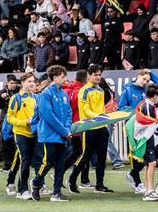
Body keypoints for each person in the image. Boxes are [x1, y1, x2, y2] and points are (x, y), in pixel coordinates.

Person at [66, 66, 114, 194]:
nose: (98, 77)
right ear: (89, 76)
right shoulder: (84, 90)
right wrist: (98, 117)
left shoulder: (100, 90)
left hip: (101, 126)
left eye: (99, 74)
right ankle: (71, 180)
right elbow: (85, 109)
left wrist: (104, 117)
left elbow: (101, 108)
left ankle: (100, 185)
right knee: (85, 156)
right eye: (95, 75)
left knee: (102, 157)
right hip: (89, 127)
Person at [31, 64, 72, 202]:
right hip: (49, 134)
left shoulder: (64, 93)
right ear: (55, 77)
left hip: (61, 134)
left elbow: (69, 113)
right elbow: (48, 116)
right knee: (47, 162)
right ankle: (36, 183)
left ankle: (56, 193)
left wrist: (66, 129)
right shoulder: (46, 93)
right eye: (62, 76)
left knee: (61, 163)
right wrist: (64, 130)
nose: (65, 79)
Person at [5, 74, 38, 200]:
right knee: (25, 160)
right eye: (29, 81)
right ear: (22, 83)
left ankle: (34, 186)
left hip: (34, 133)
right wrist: (25, 122)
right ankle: (22, 189)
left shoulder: (36, 97)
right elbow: (10, 118)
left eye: (33, 81)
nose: (32, 84)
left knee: (36, 160)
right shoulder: (16, 98)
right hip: (21, 133)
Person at [136, 84, 158, 201]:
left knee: (148, 164)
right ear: (155, 96)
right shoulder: (148, 106)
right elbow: (150, 124)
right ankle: (150, 192)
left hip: (147, 137)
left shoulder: (148, 104)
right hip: (146, 138)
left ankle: (149, 190)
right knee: (152, 163)